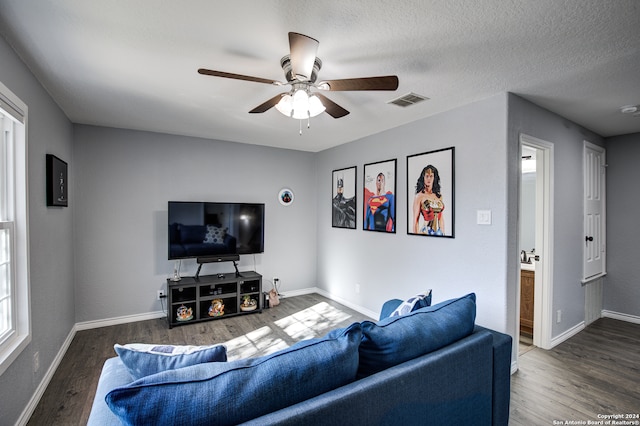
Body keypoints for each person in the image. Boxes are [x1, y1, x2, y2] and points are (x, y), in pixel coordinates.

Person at [412, 165, 445, 235]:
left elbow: (441, 218)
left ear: (434, 178)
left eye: (431, 176)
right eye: (427, 176)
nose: (429, 179)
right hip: (426, 232)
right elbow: (415, 221)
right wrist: (416, 238)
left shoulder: (438, 196)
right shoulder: (419, 196)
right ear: (423, 178)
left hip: (438, 232)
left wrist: (443, 233)